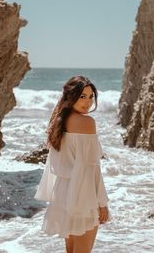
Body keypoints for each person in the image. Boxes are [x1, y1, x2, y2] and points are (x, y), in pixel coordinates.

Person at [35, 76, 110, 253]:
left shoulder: (58, 121)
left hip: (63, 194)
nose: (88, 102)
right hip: (83, 195)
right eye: (82, 96)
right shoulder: (87, 123)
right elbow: (90, 167)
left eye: (91, 97)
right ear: (71, 96)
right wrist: (102, 202)